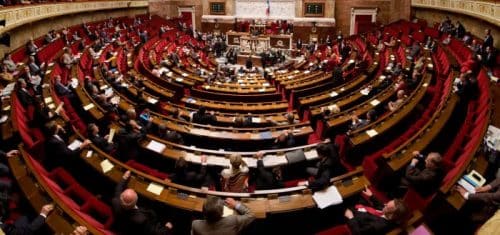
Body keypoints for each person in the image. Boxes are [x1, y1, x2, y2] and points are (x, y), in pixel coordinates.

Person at [111, 171, 173, 235]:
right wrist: (167, 228)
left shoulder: (115, 202)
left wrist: (124, 177)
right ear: (136, 201)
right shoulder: (141, 219)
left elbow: (118, 189)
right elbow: (153, 232)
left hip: (122, 225)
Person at [344, 187, 409, 235]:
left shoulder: (377, 226)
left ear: (391, 215)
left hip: (353, 215)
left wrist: (351, 218)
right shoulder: (388, 214)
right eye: (387, 203)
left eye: (387, 206)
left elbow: (359, 233)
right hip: (363, 207)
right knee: (355, 192)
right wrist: (371, 196)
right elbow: (380, 205)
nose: (385, 204)